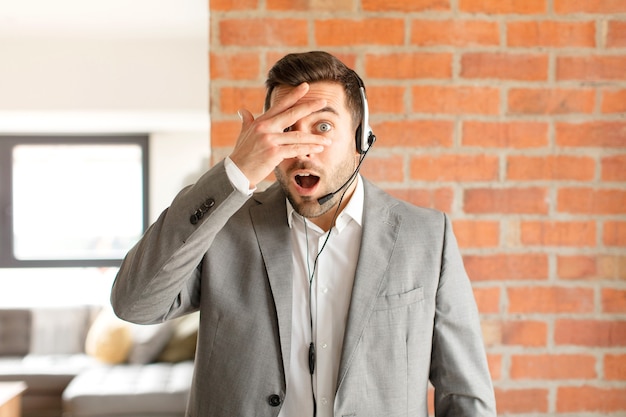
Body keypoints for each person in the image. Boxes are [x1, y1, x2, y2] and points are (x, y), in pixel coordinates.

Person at [111, 51, 497, 417]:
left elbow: (465, 395)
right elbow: (135, 303)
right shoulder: (224, 226)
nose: (302, 148)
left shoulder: (426, 236)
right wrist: (235, 171)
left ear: (361, 136)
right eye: (287, 128)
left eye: (323, 126)